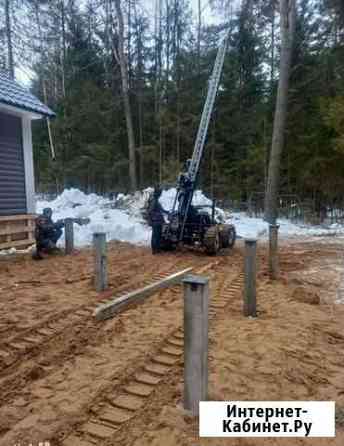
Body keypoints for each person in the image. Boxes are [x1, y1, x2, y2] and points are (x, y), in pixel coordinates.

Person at [147, 186, 168, 254]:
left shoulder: (156, 201)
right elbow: (150, 211)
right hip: (155, 221)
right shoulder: (154, 201)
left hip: (158, 221)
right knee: (155, 235)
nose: (160, 195)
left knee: (158, 235)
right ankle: (155, 250)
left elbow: (161, 209)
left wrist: (166, 212)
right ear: (157, 193)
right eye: (160, 193)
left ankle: (157, 249)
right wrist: (157, 215)